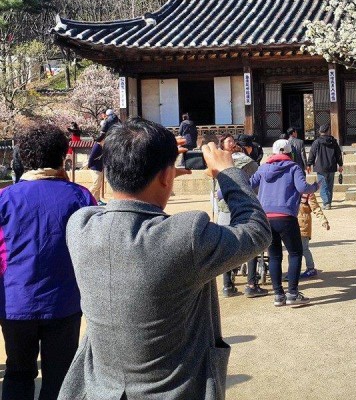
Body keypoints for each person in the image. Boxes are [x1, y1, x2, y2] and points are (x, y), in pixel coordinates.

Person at [59, 117, 271, 400]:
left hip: (100, 389)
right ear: (166, 177)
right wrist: (228, 172)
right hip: (177, 391)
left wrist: (158, 169)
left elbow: (113, 210)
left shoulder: (80, 227)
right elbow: (255, 231)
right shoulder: (186, 236)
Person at [0, 123, 95, 400]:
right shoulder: (80, 196)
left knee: (17, 372)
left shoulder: (5, 199)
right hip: (63, 302)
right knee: (60, 377)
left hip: (15, 302)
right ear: (63, 155)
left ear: (24, 158)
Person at [251, 139, 317, 307]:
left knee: (274, 256)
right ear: (289, 153)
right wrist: (315, 186)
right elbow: (302, 188)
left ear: (273, 153)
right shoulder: (293, 167)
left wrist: (223, 191)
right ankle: (293, 293)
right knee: (295, 253)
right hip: (286, 216)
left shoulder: (263, 168)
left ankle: (278, 295)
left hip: (266, 217)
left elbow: (249, 184)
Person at [215, 134, 267, 299]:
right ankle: (251, 284)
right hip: (244, 207)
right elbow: (257, 185)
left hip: (224, 207)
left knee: (226, 245)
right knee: (250, 243)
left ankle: (227, 286)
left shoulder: (218, 163)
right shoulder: (249, 164)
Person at [306, 123, 343, 209]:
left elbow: (312, 153)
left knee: (323, 185)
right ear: (328, 131)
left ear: (320, 132)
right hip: (331, 166)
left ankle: (326, 203)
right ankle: (328, 202)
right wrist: (340, 164)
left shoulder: (317, 142)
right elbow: (338, 154)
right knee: (330, 185)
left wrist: (309, 164)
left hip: (320, 166)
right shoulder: (333, 141)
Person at [298, 190, 330, 278]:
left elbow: (315, 207)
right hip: (290, 223)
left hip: (303, 224)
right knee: (292, 250)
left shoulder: (308, 191)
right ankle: (293, 270)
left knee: (304, 248)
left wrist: (323, 220)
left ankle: (310, 268)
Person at [87, 132, 106, 205]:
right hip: (95, 168)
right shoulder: (97, 146)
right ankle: (86, 197)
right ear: (102, 139)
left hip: (99, 168)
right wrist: (90, 165)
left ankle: (97, 200)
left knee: (98, 185)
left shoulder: (100, 146)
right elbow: (91, 157)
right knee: (96, 184)